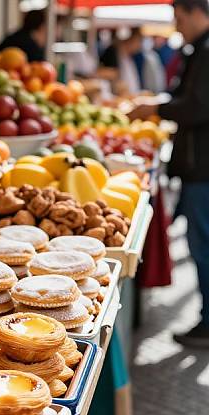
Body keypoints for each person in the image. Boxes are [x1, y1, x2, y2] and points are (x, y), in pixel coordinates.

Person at [130, 0, 209, 348]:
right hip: (198, 164)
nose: (177, 26)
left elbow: (197, 106)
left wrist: (157, 107)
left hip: (202, 166)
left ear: (196, 12)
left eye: (178, 18)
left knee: (202, 244)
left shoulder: (206, 52)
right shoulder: (198, 49)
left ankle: (208, 323)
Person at [99, 28, 143, 94]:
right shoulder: (112, 52)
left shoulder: (129, 56)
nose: (139, 45)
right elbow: (110, 74)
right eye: (138, 41)